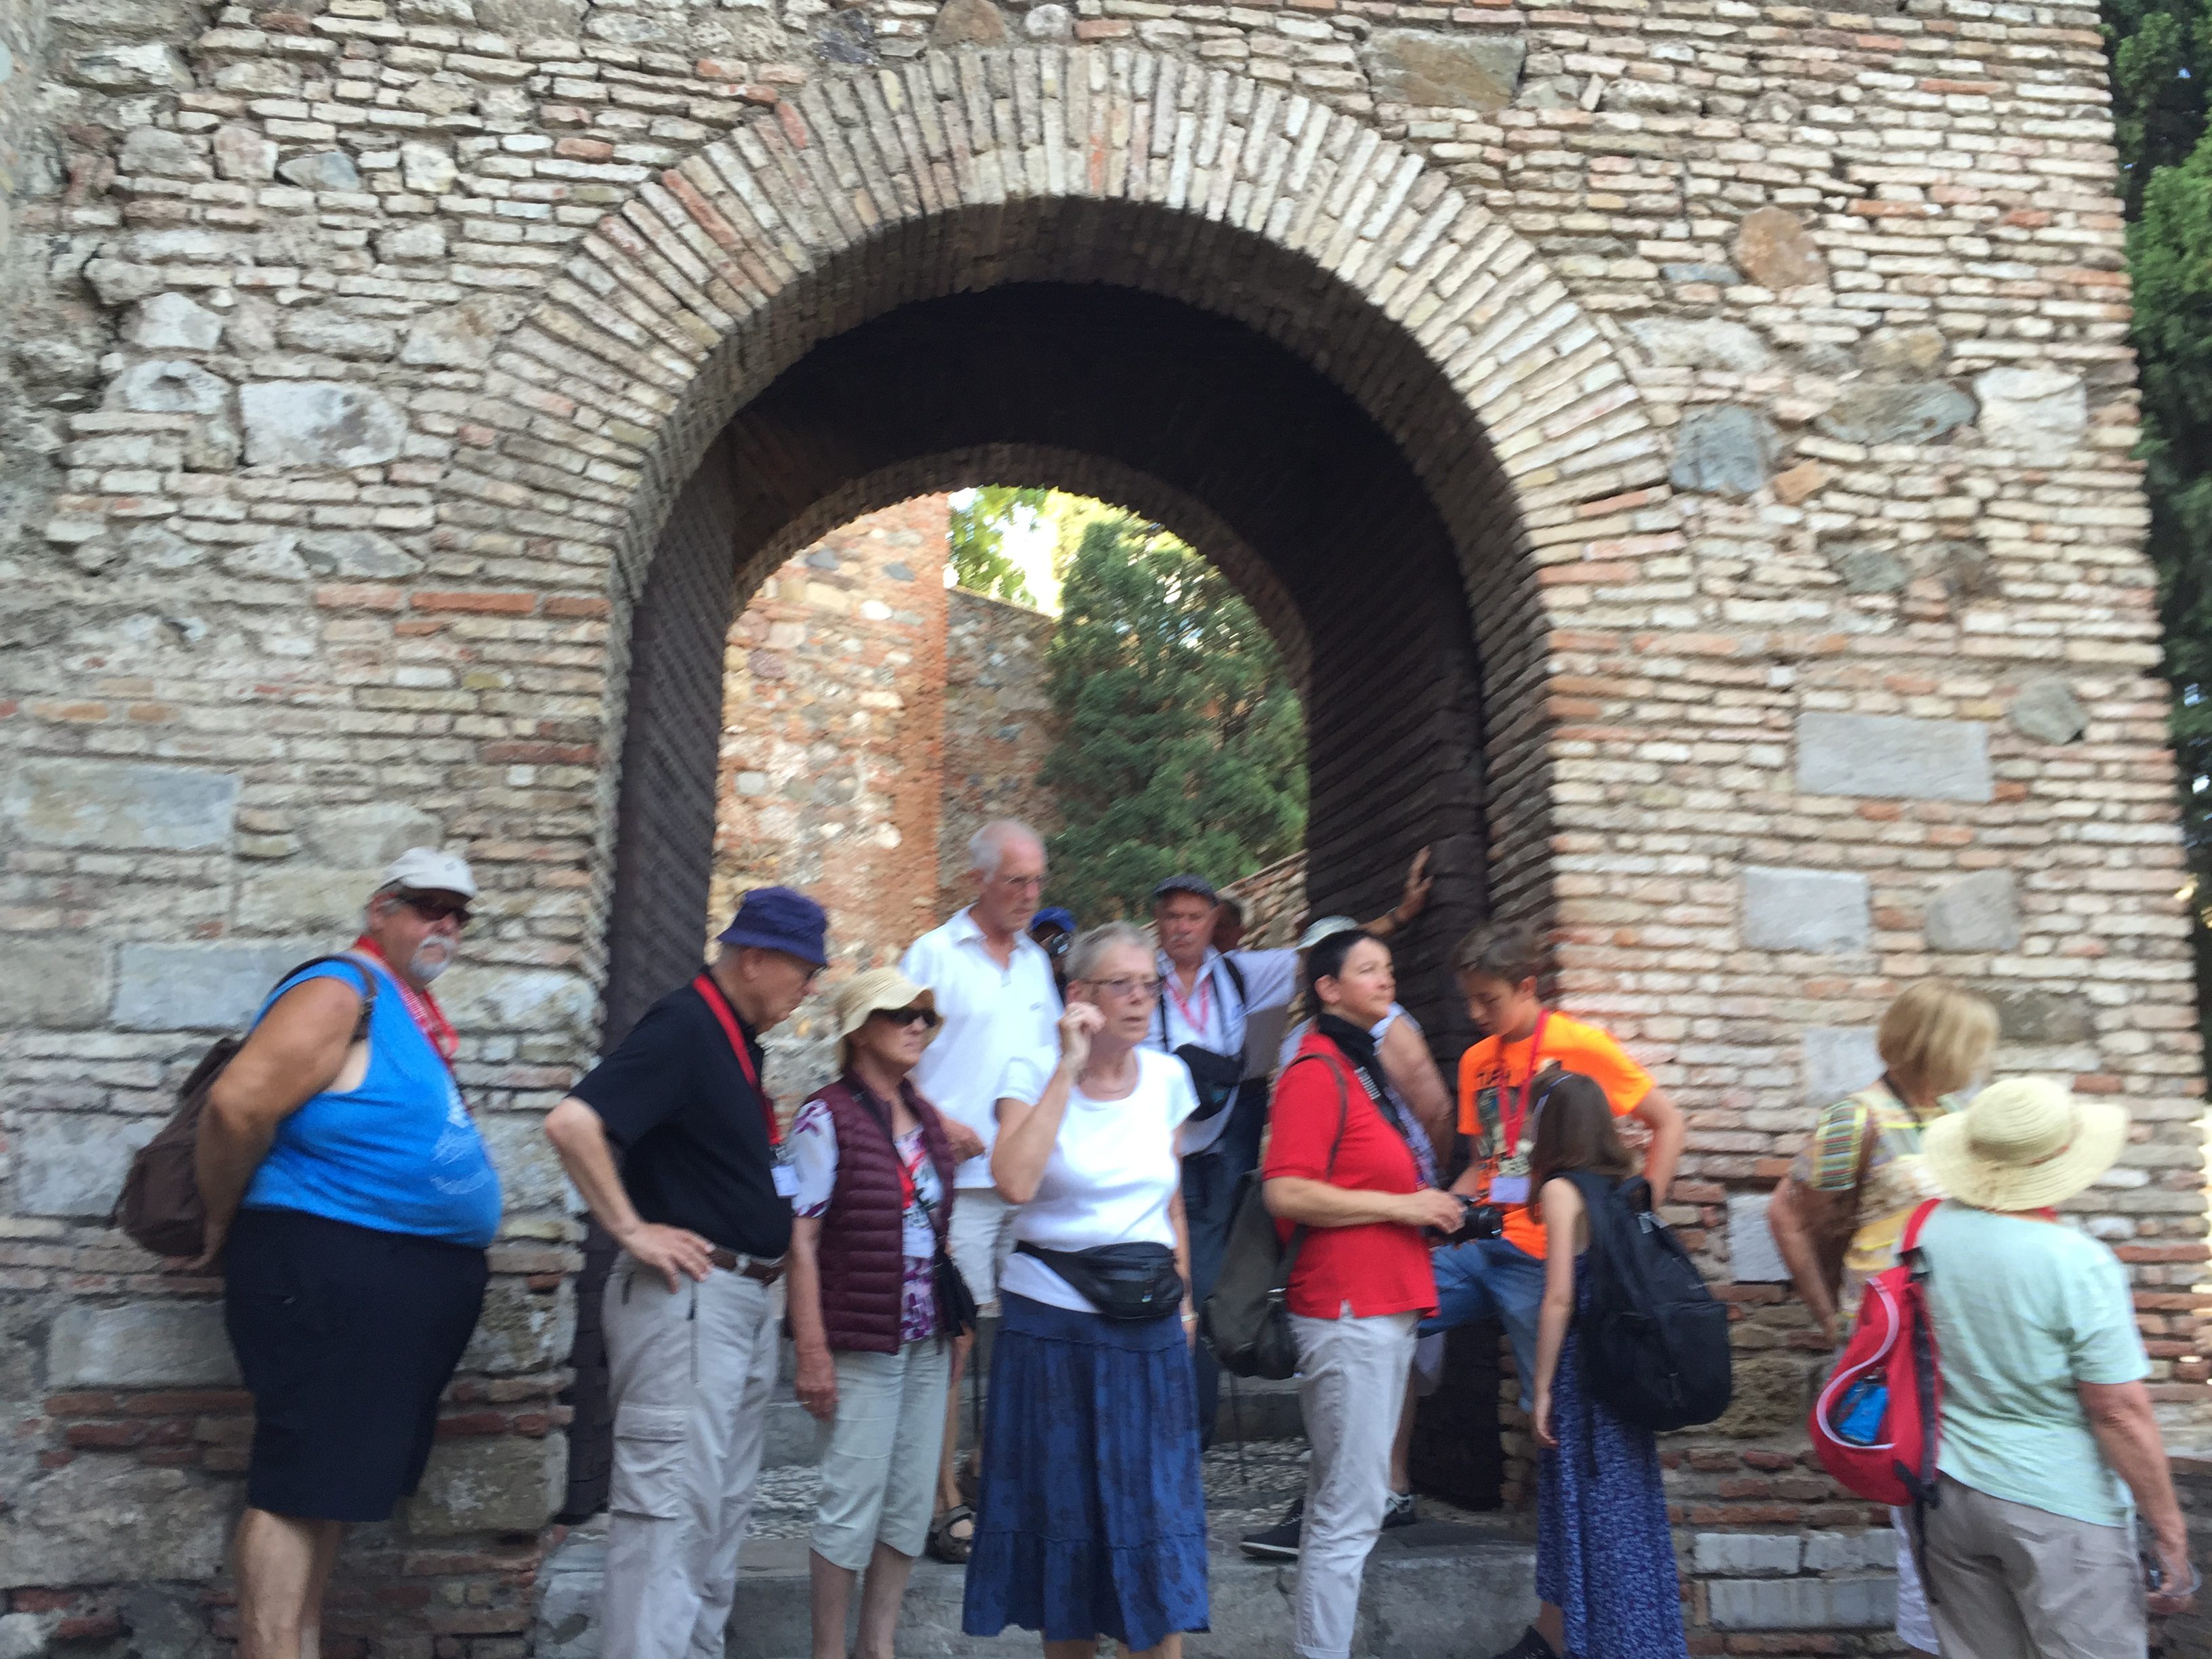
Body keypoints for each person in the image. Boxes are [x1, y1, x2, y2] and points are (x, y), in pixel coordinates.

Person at [197, 848, 502, 1659]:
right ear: (381, 910)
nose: (445, 925)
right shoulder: (341, 987)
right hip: (328, 1257)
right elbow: (237, 1104)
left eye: (458, 915)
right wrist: (223, 1218)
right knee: (296, 1483)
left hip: (390, 1271)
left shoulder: (405, 1007)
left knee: (328, 1487)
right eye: (428, 906)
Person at [541, 886, 826, 1659]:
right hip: (691, 1305)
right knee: (666, 1522)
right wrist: (630, 1229)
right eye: (805, 972)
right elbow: (572, 1122)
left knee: (714, 1522)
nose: (811, 989)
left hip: (734, 1304)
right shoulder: (686, 1025)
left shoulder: (733, 1041)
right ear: (755, 958)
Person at [1425, 921, 1685, 1659]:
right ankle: (1382, 1486)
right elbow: (1489, 1164)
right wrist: (1441, 1213)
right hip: (1484, 1241)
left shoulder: (1581, 1048)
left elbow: (1667, 1124)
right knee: (1383, 1314)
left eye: (1489, 1000)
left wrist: (1632, 1229)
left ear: (1528, 988)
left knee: (1562, 1436)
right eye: (1470, 1000)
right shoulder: (1477, 1060)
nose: (1476, 1014)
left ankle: (1563, 1627)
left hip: (1547, 1261)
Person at [962, 923, 1208, 1659]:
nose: (1140, 999)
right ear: (1079, 996)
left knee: (1154, 1522)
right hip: (1053, 1325)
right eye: (1121, 985)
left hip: (1149, 1323)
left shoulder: (1168, 1078)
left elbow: (1171, 1203)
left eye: (1149, 985)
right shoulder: (1031, 1069)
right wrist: (1067, 1068)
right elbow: (1014, 1181)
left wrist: (1187, 1305)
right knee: (1063, 1521)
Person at [1154, 853, 1433, 1447]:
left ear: (1213, 922)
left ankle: (1199, 1419)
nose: (1182, 927)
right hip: (1158, 1148)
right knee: (1182, 1275)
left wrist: (1399, 916)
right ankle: (1175, 1421)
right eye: (1172, 916)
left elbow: (1325, 959)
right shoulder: (1141, 978)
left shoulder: (1242, 974)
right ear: (1158, 922)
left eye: (1194, 917)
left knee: (1220, 1273)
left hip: (1222, 1148)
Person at [1914, 1077, 2195, 1656]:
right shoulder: (2074, 1260)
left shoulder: (1924, 1233)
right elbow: (2117, 1411)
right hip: (2059, 1504)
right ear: (2058, 1159)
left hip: (1947, 1490)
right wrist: (2170, 1533)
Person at [1764, 981, 1999, 1655]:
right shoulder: (1855, 1118)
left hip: (1961, 1335)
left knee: (1960, 1503)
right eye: (1972, 1045)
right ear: (1937, 1045)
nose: (1980, 1059)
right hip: (1896, 1340)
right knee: (1918, 1504)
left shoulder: (1957, 1113)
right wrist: (1834, 1319)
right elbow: (1793, 1217)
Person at [1259, 930, 1464, 1659]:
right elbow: (1286, 1190)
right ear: (1328, 988)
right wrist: (1405, 1206)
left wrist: (1425, 1210)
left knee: (1341, 1506)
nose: (1387, 980)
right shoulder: (1316, 1070)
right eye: (1368, 970)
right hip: (1349, 1309)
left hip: (1381, 1303)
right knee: (1350, 1513)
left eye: (1390, 968)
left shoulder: (1358, 1068)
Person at [786, 969, 971, 1659]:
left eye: (926, 1016)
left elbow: (939, 1234)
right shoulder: (824, 1115)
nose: (917, 1026)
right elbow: (801, 1240)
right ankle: (828, 1652)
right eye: (900, 1014)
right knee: (850, 1502)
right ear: (860, 1030)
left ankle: (878, 1646)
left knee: (908, 1502)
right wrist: (811, 1349)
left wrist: (955, 1327)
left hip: (926, 1339)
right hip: (860, 1339)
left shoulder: (927, 1119)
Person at [898, 819, 1062, 1559]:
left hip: (1026, 1184)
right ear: (979, 881)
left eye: (1037, 880)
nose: (1030, 894)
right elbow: (891, 1061)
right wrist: (941, 1125)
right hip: (955, 1182)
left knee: (1030, 1335)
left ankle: (988, 1471)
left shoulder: (1035, 964)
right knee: (954, 1342)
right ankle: (940, 1500)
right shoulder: (933, 955)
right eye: (1016, 881)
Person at [1527, 1075, 1689, 1659]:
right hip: (1629, 1371)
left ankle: (1600, 1643)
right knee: (1628, 1515)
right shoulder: (1629, 1186)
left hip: (1585, 1374)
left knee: (1587, 1512)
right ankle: (1640, 1641)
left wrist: (1542, 1387)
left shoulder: (1561, 1190)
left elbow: (1560, 1299)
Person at [1030, 905, 1077, 998]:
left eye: (1059, 941)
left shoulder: (1076, 988)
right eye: (1042, 937)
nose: (1050, 948)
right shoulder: (1020, 979)